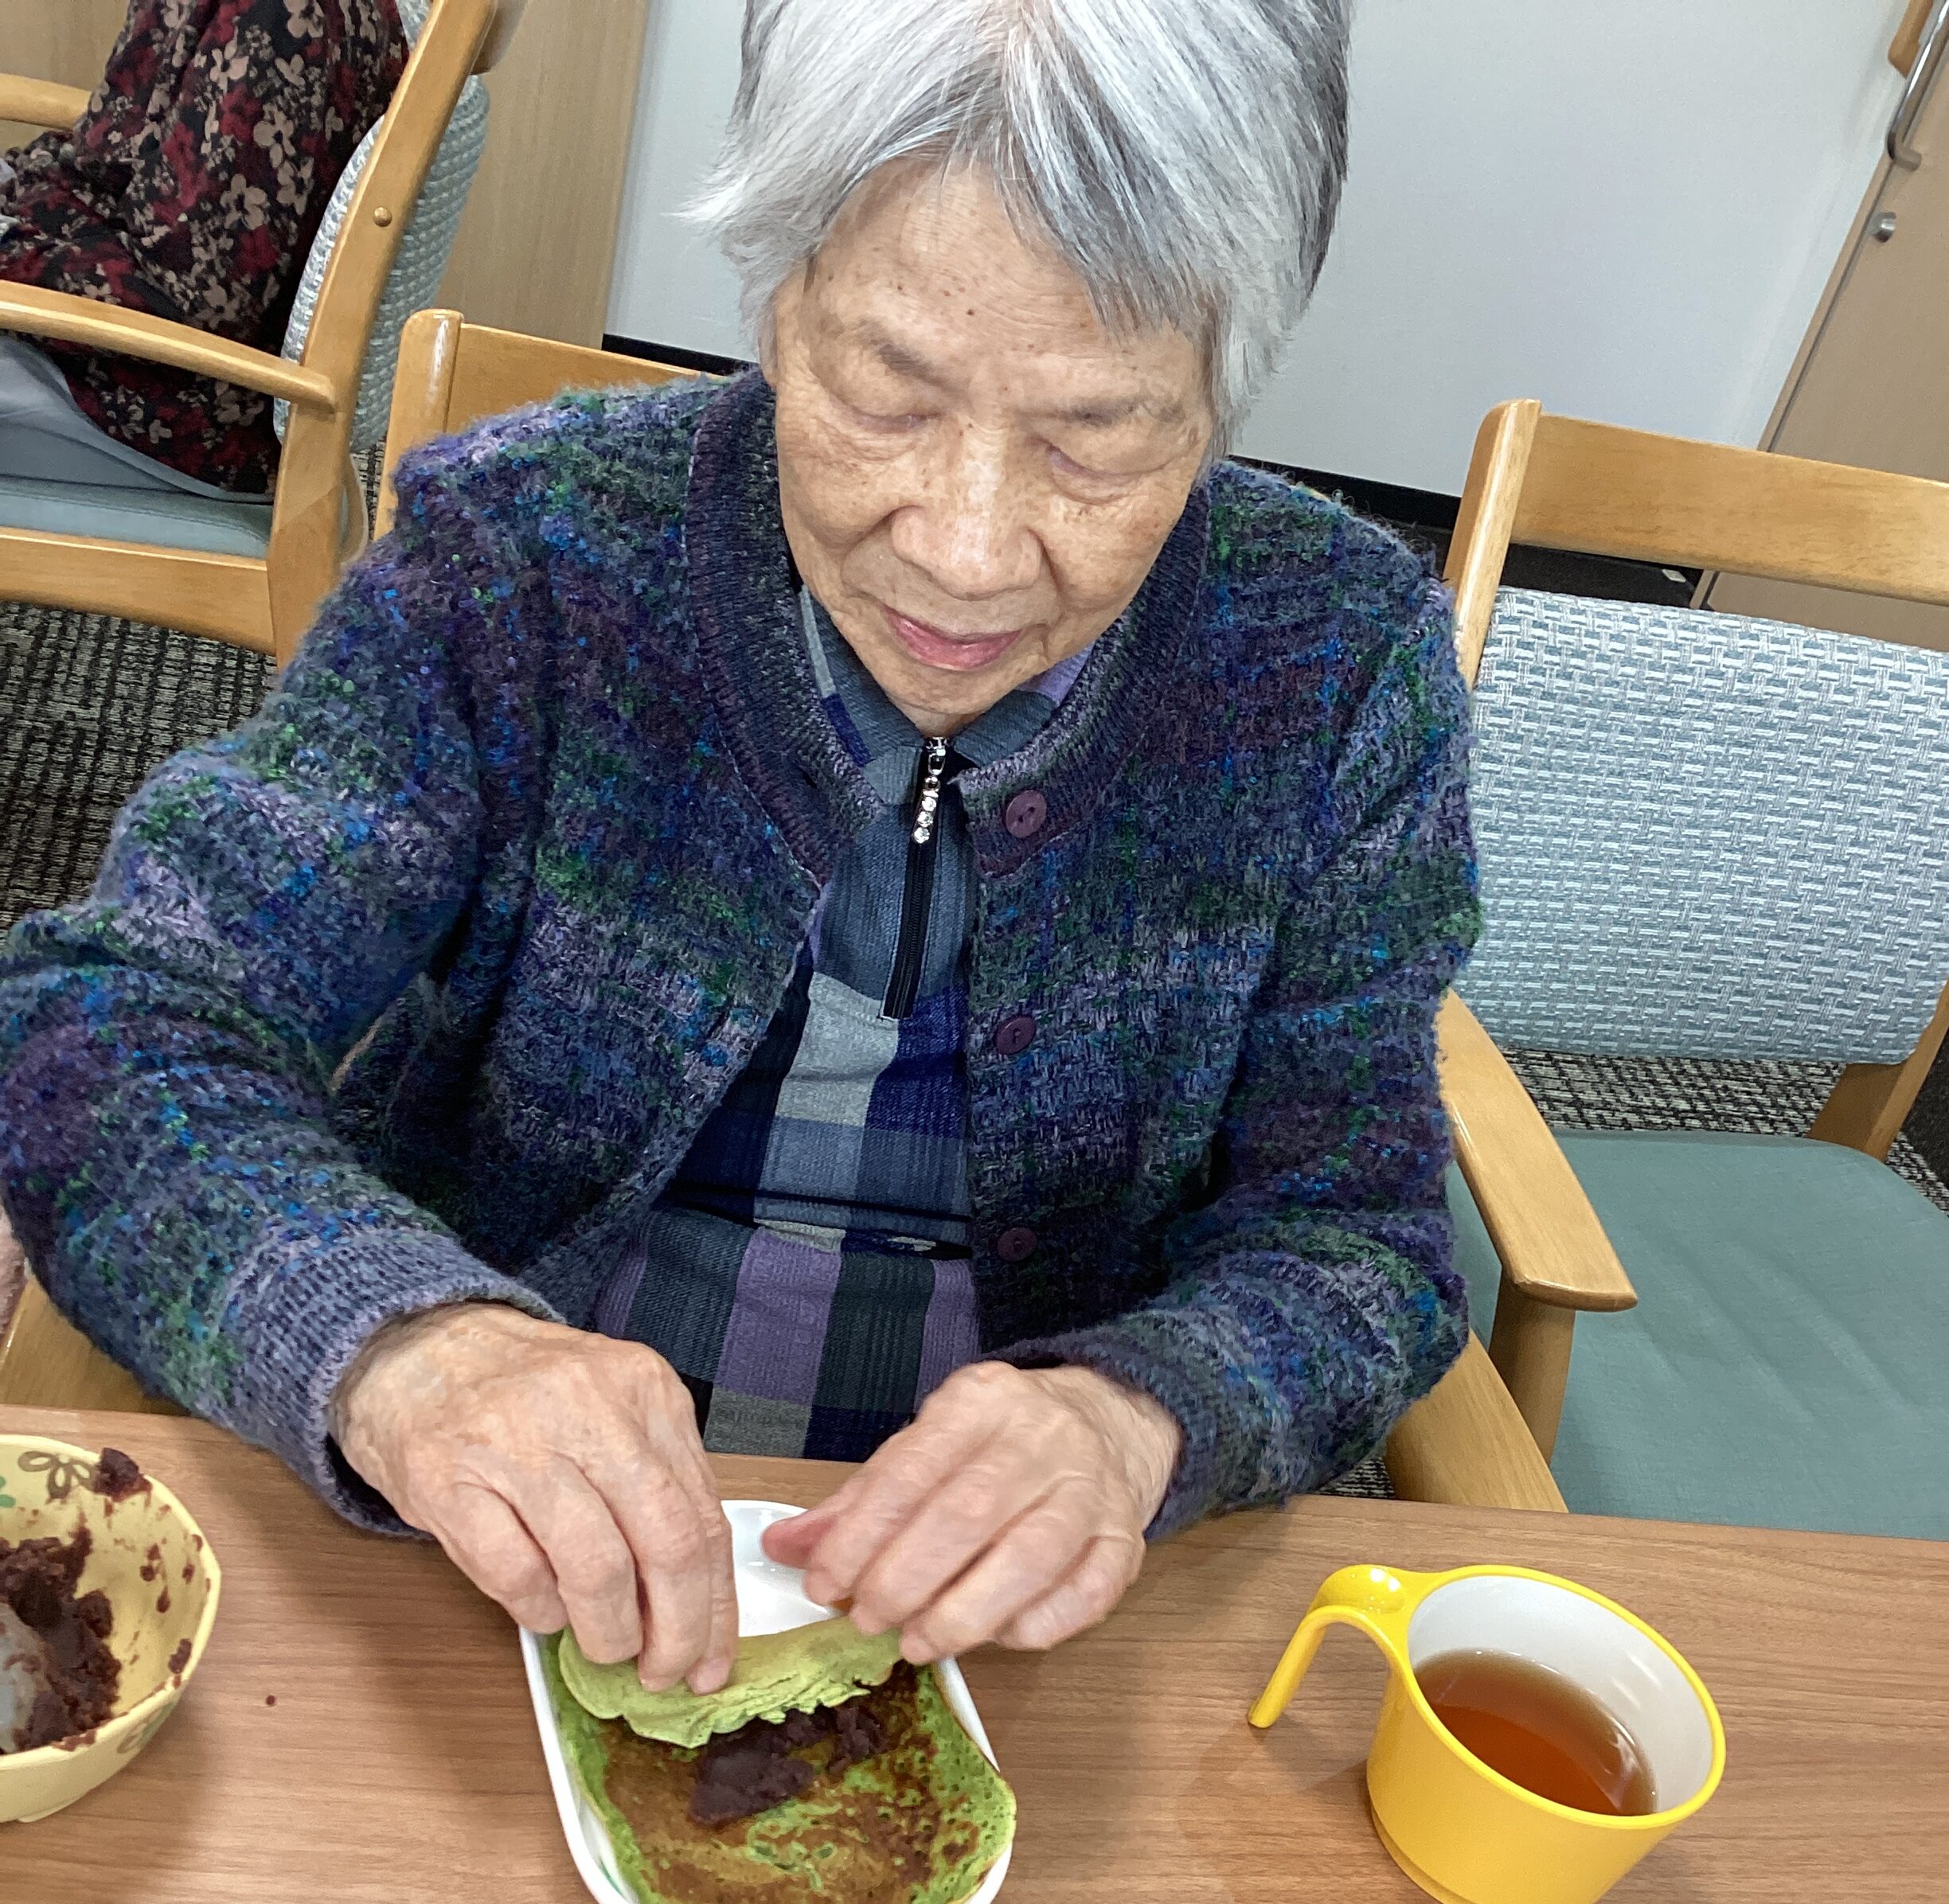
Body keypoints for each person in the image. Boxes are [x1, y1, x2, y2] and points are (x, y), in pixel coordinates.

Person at [0, 0, 1478, 1701]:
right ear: (775, 300)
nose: (967, 551)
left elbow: (1357, 1233)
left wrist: (1143, 1411)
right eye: (886, 395)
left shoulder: (1339, 662)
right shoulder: (528, 564)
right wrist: (407, 1345)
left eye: (1098, 434)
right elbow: (105, 1021)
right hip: (473, 1564)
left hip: (1047, 1628)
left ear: (1222, 393)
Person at [0, 0, 406, 496]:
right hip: (104, 274)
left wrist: (11, 249)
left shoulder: (276, 21)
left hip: (171, 395)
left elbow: (191, 303)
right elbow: (112, 155)